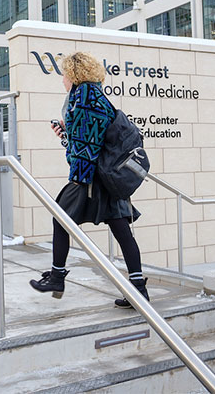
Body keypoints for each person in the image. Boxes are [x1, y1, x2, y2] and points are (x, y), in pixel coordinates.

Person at [29, 52, 149, 307]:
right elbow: (86, 138)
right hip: (106, 175)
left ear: (73, 74)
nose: (62, 79)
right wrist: (65, 135)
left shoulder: (85, 96)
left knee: (60, 218)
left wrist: (78, 180)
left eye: (64, 74)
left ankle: (57, 277)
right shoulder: (93, 96)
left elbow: (87, 144)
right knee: (122, 231)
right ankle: (138, 288)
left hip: (92, 176)